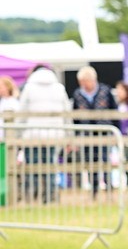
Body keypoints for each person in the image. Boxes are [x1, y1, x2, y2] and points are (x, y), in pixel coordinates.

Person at [18, 65, 70, 203]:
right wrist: (68, 134)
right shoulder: (59, 88)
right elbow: (67, 113)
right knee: (50, 165)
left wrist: (18, 133)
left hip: (32, 133)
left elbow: (21, 112)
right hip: (53, 134)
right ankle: (50, 195)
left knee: (31, 166)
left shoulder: (29, 88)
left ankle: (31, 196)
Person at [71, 66, 118, 196]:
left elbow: (115, 111)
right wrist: (75, 135)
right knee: (90, 161)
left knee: (105, 160)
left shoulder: (105, 91)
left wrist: (116, 132)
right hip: (87, 134)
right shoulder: (78, 94)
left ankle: (109, 189)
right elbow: (75, 117)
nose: (83, 84)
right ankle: (94, 190)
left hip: (104, 132)